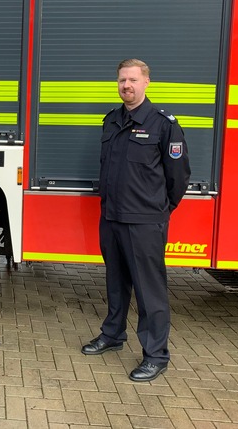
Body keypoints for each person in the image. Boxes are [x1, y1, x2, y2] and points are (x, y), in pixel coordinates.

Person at [81, 58, 190, 382]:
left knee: (149, 291)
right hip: (112, 217)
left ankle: (156, 355)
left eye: (132, 80)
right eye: (121, 80)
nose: (126, 85)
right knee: (115, 283)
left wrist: (158, 210)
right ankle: (113, 334)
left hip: (144, 221)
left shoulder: (163, 124)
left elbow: (178, 177)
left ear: (146, 82)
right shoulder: (112, 121)